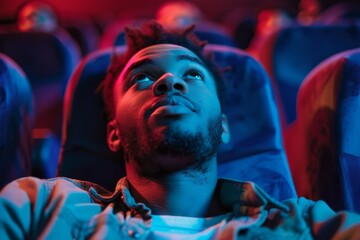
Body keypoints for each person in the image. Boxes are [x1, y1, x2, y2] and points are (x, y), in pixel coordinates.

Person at [1, 21, 360, 239]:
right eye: (142, 77)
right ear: (113, 134)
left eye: (192, 74)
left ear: (222, 128)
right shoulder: (39, 206)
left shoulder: (305, 221)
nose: (170, 80)